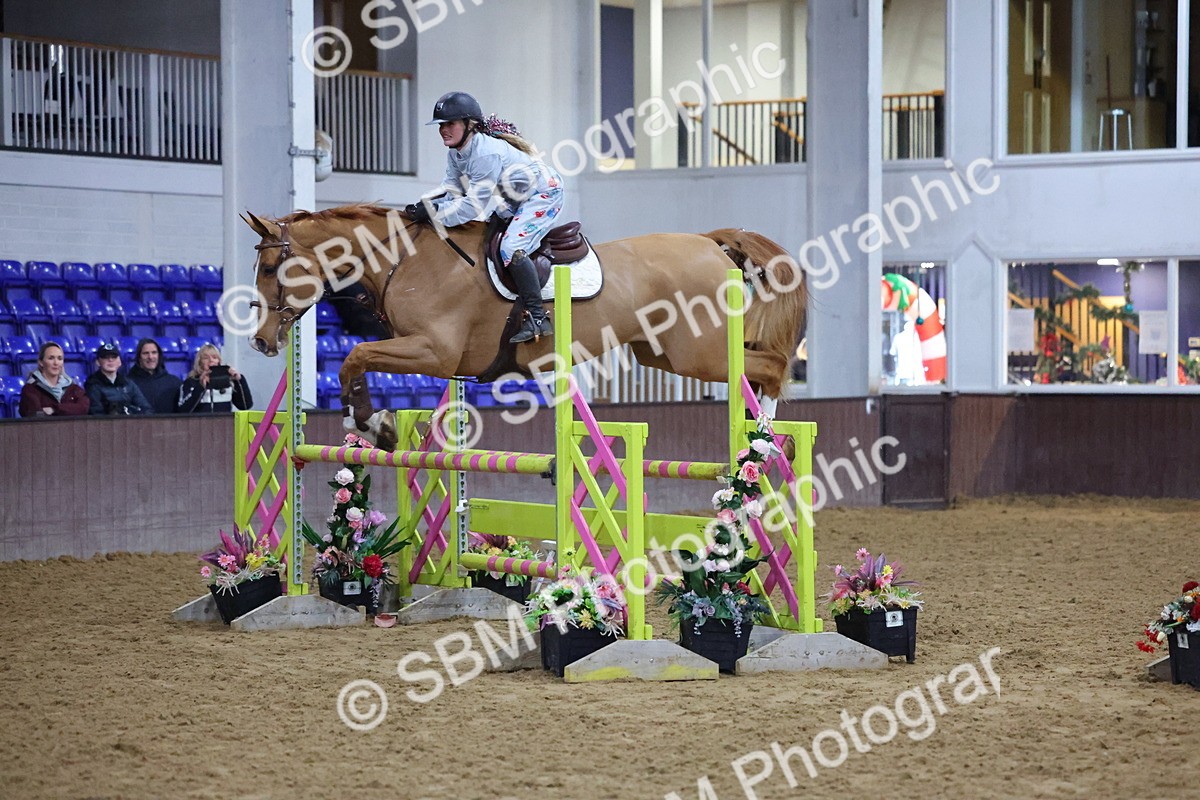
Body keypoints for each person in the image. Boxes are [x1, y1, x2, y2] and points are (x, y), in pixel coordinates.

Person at [406, 91, 564, 344]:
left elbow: (471, 207)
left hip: (543, 193)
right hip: (516, 198)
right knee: (484, 235)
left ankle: (537, 317)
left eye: (450, 124)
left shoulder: (484, 153)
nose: (443, 130)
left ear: (470, 125)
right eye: (441, 125)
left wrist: (435, 212)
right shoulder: (457, 152)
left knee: (512, 248)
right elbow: (452, 191)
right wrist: (425, 205)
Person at [18, 341, 90, 418]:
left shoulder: (74, 389)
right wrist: (69, 409)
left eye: (59, 358)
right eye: (51, 358)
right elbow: (36, 414)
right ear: (41, 362)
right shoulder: (30, 389)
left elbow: (83, 408)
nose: (56, 363)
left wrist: (54, 409)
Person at [178, 344, 253, 413]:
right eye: (206, 358)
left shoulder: (227, 381)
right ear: (200, 362)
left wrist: (239, 381)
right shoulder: (191, 382)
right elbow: (182, 411)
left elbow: (245, 406)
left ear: (219, 361)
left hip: (224, 425)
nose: (211, 360)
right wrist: (200, 387)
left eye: (214, 357)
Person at [84, 342, 151, 415]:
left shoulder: (128, 383)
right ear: (98, 362)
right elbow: (96, 413)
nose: (110, 360)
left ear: (120, 362)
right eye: (105, 357)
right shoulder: (92, 385)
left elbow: (145, 408)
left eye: (114, 357)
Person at [127, 337, 183, 414]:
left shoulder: (174, 382)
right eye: (145, 353)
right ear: (139, 357)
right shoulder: (128, 383)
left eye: (154, 352)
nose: (150, 357)